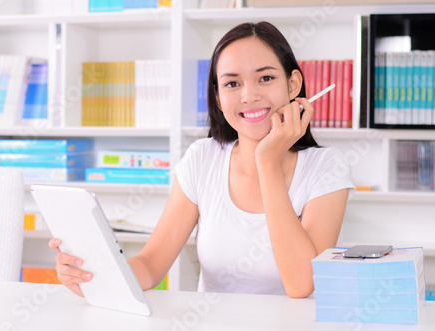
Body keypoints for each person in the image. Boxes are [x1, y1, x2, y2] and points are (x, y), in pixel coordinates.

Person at [49, 21, 355, 298]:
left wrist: (267, 162)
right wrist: (97, 275)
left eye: (265, 78)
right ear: (219, 98)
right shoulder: (201, 158)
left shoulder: (326, 168)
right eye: (232, 83)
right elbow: (152, 263)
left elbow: (301, 284)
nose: (249, 95)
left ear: (293, 85)